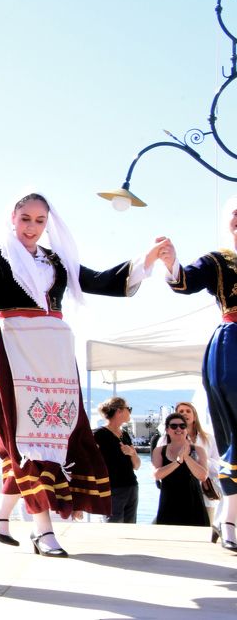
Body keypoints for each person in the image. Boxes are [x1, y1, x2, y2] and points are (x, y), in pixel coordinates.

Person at [0, 192, 168, 557]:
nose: (31, 227)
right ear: (12, 218)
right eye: (25, 219)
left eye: (39, 221)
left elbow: (100, 280)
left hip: (54, 357)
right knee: (30, 440)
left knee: (55, 438)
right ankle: (43, 531)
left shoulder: (55, 260)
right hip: (15, 351)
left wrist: (147, 259)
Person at [160, 206, 237, 550]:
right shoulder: (221, 260)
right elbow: (185, 281)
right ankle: (230, 519)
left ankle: (224, 517)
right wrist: (171, 263)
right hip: (233, 346)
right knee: (235, 433)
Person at [153, 413, 210, 526]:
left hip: (193, 502)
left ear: (186, 429)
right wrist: (178, 461)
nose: (178, 429)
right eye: (174, 426)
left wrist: (187, 457)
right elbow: (157, 475)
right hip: (169, 502)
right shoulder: (159, 451)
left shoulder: (198, 450)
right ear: (167, 430)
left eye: (182, 426)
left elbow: (203, 476)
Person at [93, 397, 140, 523]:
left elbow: (137, 466)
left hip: (131, 487)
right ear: (119, 411)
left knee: (130, 528)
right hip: (112, 489)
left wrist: (132, 453)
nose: (130, 412)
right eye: (128, 409)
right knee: (113, 528)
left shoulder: (125, 435)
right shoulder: (98, 435)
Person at [174, 400, 223, 521]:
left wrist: (201, 461)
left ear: (194, 416)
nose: (184, 413)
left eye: (188, 411)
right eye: (181, 411)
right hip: (179, 494)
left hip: (205, 495)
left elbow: (218, 467)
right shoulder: (167, 439)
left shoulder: (208, 439)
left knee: (206, 528)